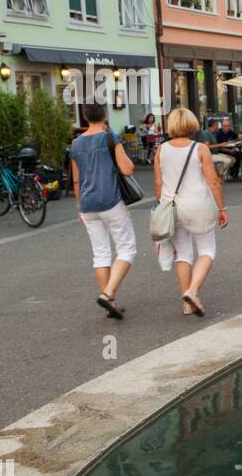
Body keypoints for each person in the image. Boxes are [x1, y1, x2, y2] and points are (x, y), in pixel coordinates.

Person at [153, 107, 228, 317]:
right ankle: (193, 292)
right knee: (207, 251)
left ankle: (186, 303)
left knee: (183, 254)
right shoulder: (200, 149)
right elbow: (213, 181)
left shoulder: (161, 150)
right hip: (198, 205)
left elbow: (158, 183)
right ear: (192, 124)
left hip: (172, 207)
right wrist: (222, 208)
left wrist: (162, 205)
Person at [69, 100, 137, 320]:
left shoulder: (76, 144)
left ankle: (112, 302)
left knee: (100, 254)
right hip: (111, 201)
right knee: (126, 249)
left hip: (88, 205)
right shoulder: (110, 138)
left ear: (85, 117)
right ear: (105, 114)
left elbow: (76, 180)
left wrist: (80, 207)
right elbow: (127, 169)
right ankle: (108, 294)